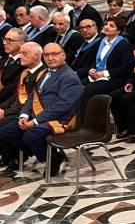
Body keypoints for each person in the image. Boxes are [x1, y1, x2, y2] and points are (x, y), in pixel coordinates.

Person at [0, 43, 82, 175]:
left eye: (54, 54)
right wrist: (24, 116)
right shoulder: (45, 73)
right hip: (39, 115)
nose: (50, 58)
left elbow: (61, 107)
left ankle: (51, 160)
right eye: (46, 55)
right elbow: (33, 96)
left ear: (63, 55)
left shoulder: (69, 77)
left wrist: (35, 121)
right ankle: (48, 155)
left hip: (62, 119)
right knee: (6, 132)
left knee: (31, 135)